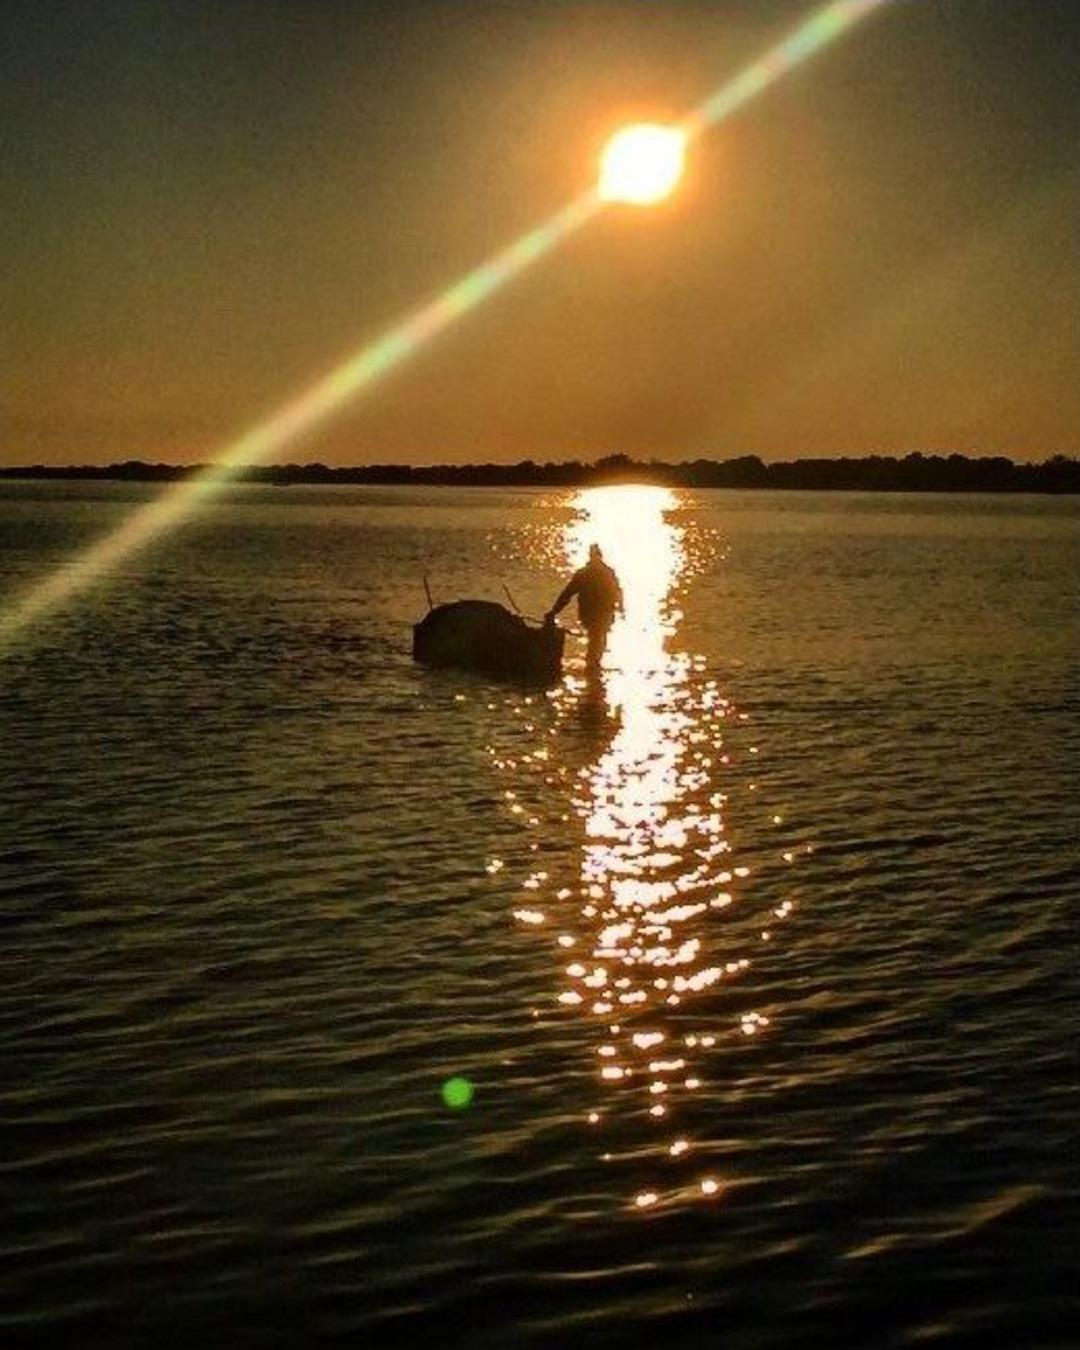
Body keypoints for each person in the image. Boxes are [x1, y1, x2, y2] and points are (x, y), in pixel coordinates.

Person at [545, 544, 624, 669]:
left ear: (590, 556)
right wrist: (621, 607)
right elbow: (618, 591)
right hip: (603, 613)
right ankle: (594, 668)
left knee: (595, 637)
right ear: (600, 556)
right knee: (599, 638)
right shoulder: (608, 572)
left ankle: (592, 666)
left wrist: (554, 611)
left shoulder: (583, 573)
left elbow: (567, 594)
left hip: (589, 613)